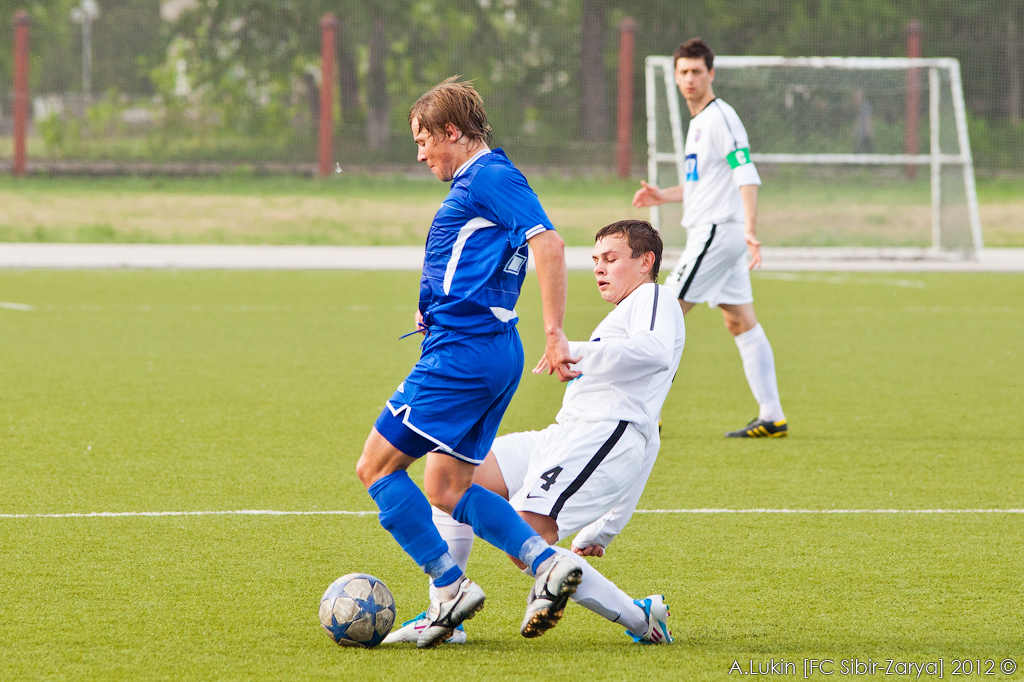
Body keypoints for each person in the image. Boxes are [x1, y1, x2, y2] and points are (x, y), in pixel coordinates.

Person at [355, 76, 583, 649]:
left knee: (376, 468)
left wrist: (556, 332)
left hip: (465, 352)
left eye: (423, 139)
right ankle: (542, 562)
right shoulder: (483, 179)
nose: (420, 153)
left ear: (452, 132)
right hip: (486, 348)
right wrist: (431, 300)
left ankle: (448, 585)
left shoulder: (490, 176)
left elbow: (549, 245)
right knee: (447, 485)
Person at [384, 220, 683, 646]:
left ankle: (642, 618)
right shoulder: (623, 312)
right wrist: (604, 529)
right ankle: (445, 610)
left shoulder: (654, 296)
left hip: (601, 437)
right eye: (596, 260)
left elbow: (652, 358)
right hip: (563, 435)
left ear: (646, 261)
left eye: (611, 259)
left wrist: (571, 348)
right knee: (450, 476)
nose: (599, 268)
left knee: (522, 538)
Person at [632, 38, 788, 438]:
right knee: (740, 321)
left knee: (662, 309)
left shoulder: (721, 119)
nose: (689, 78)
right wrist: (662, 195)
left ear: (711, 74)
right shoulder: (699, 123)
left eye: (696, 71)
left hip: (719, 232)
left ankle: (646, 411)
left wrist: (750, 229)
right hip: (721, 233)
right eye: (683, 71)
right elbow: (702, 185)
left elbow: (745, 173)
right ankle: (772, 415)